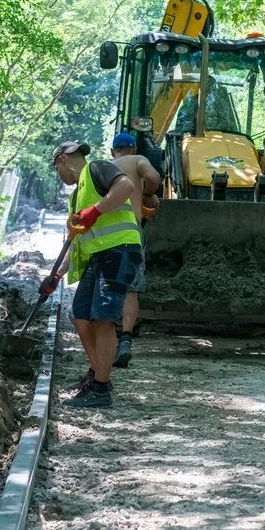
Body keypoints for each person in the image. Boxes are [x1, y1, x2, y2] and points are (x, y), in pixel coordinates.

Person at [44, 140, 142, 408]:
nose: (59, 176)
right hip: (100, 256)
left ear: (62, 160)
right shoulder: (77, 195)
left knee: (102, 318)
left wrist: (95, 211)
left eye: (57, 170)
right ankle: (100, 374)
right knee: (80, 315)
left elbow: (126, 187)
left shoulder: (98, 168)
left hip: (118, 250)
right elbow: (77, 242)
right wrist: (55, 277)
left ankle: (100, 388)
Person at [109, 132, 161, 368]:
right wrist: (148, 194)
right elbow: (154, 176)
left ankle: (107, 338)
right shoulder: (138, 160)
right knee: (131, 289)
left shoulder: (104, 167)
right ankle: (126, 339)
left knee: (108, 285)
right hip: (131, 232)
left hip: (106, 235)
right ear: (133, 148)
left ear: (113, 151)